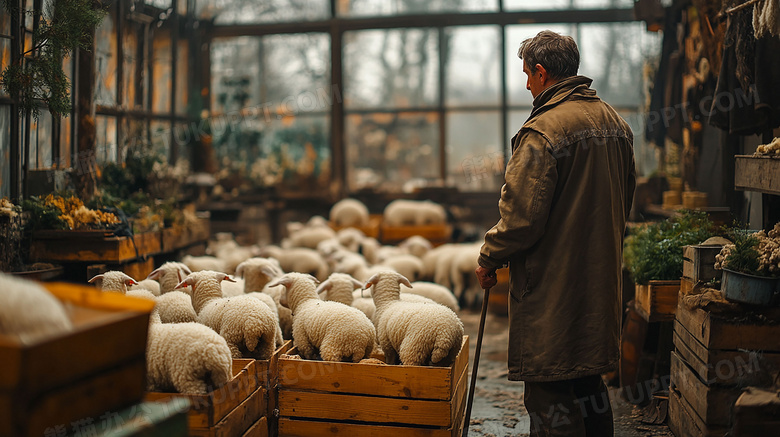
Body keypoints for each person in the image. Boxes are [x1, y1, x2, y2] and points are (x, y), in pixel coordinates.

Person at [475, 30, 636, 437]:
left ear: (542, 72)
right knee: (589, 388)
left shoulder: (542, 132)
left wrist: (489, 256)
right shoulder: (616, 124)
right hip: (600, 286)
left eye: (527, 75)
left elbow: (521, 220)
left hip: (553, 293)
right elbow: (625, 198)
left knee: (550, 398)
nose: (527, 84)